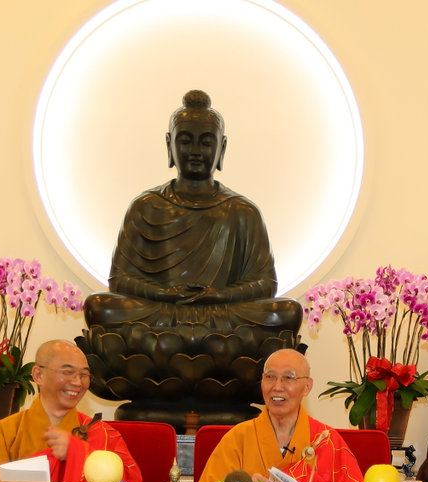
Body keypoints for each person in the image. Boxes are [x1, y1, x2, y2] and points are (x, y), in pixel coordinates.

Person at [84, 89, 301, 332]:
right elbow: (120, 279)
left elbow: (265, 283)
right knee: (100, 306)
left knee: (287, 311)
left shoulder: (242, 211)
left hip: (219, 313)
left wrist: (220, 295)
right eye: (186, 141)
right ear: (169, 144)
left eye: (206, 142)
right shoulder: (146, 206)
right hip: (164, 311)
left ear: (222, 148)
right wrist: (165, 293)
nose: (196, 151)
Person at [192, 349, 365, 482]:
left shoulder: (327, 440)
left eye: (288, 378)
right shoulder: (237, 439)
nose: (277, 386)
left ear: (307, 387)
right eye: (270, 377)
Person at [0, 340, 142, 482]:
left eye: (84, 375)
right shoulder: (6, 432)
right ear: (38, 375)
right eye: (68, 372)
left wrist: (79, 452)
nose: (78, 382)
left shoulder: (103, 435)